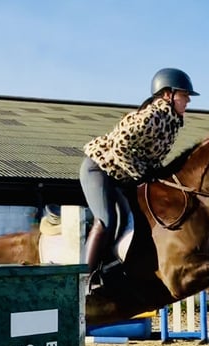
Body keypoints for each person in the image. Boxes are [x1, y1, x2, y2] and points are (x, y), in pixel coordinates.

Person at [79, 67, 199, 275]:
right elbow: (120, 147)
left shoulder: (170, 123)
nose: (188, 101)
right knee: (107, 220)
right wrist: (142, 174)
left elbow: (149, 159)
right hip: (99, 169)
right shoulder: (152, 116)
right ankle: (83, 278)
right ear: (167, 94)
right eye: (184, 95)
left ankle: (114, 269)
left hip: (121, 176)